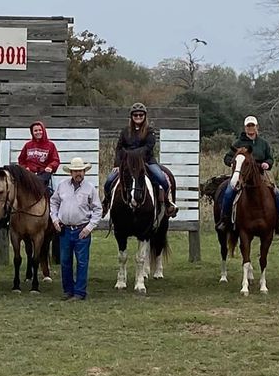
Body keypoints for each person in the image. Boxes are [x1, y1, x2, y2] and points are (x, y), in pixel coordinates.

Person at [216, 115, 279, 237]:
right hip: (242, 175)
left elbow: (270, 158)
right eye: (248, 126)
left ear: (257, 127)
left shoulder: (263, 144)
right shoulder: (239, 143)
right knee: (229, 192)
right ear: (245, 128)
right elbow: (227, 157)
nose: (250, 128)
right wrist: (234, 163)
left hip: (261, 175)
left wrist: (267, 163)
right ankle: (224, 220)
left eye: (252, 126)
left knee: (277, 193)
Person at [102, 102, 176, 216]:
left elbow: (148, 147)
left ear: (145, 116)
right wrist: (117, 164)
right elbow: (119, 148)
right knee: (108, 182)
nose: (138, 117)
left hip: (147, 162)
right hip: (126, 163)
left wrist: (131, 154)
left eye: (141, 115)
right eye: (135, 115)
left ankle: (167, 203)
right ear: (131, 116)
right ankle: (106, 203)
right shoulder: (125, 131)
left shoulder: (150, 131)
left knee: (162, 179)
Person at [50, 156, 102, 301]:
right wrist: (54, 219)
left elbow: (98, 210)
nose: (78, 173)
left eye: (81, 171)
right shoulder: (62, 186)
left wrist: (90, 227)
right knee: (65, 261)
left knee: (82, 262)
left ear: (84, 172)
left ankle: (79, 292)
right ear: (71, 173)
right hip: (64, 229)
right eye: (75, 171)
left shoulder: (90, 188)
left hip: (82, 230)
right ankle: (68, 290)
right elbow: (53, 202)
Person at [17, 120, 60, 193]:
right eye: (35, 131)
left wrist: (50, 166)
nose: (38, 132)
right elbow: (21, 159)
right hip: (29, 173)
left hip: (43, 173)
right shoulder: (28, 145)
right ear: (32, 133)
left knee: (42, 187)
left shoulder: (50, 145)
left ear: (43, 131)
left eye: (40, 130)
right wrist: (25, 167)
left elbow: (55, 160)